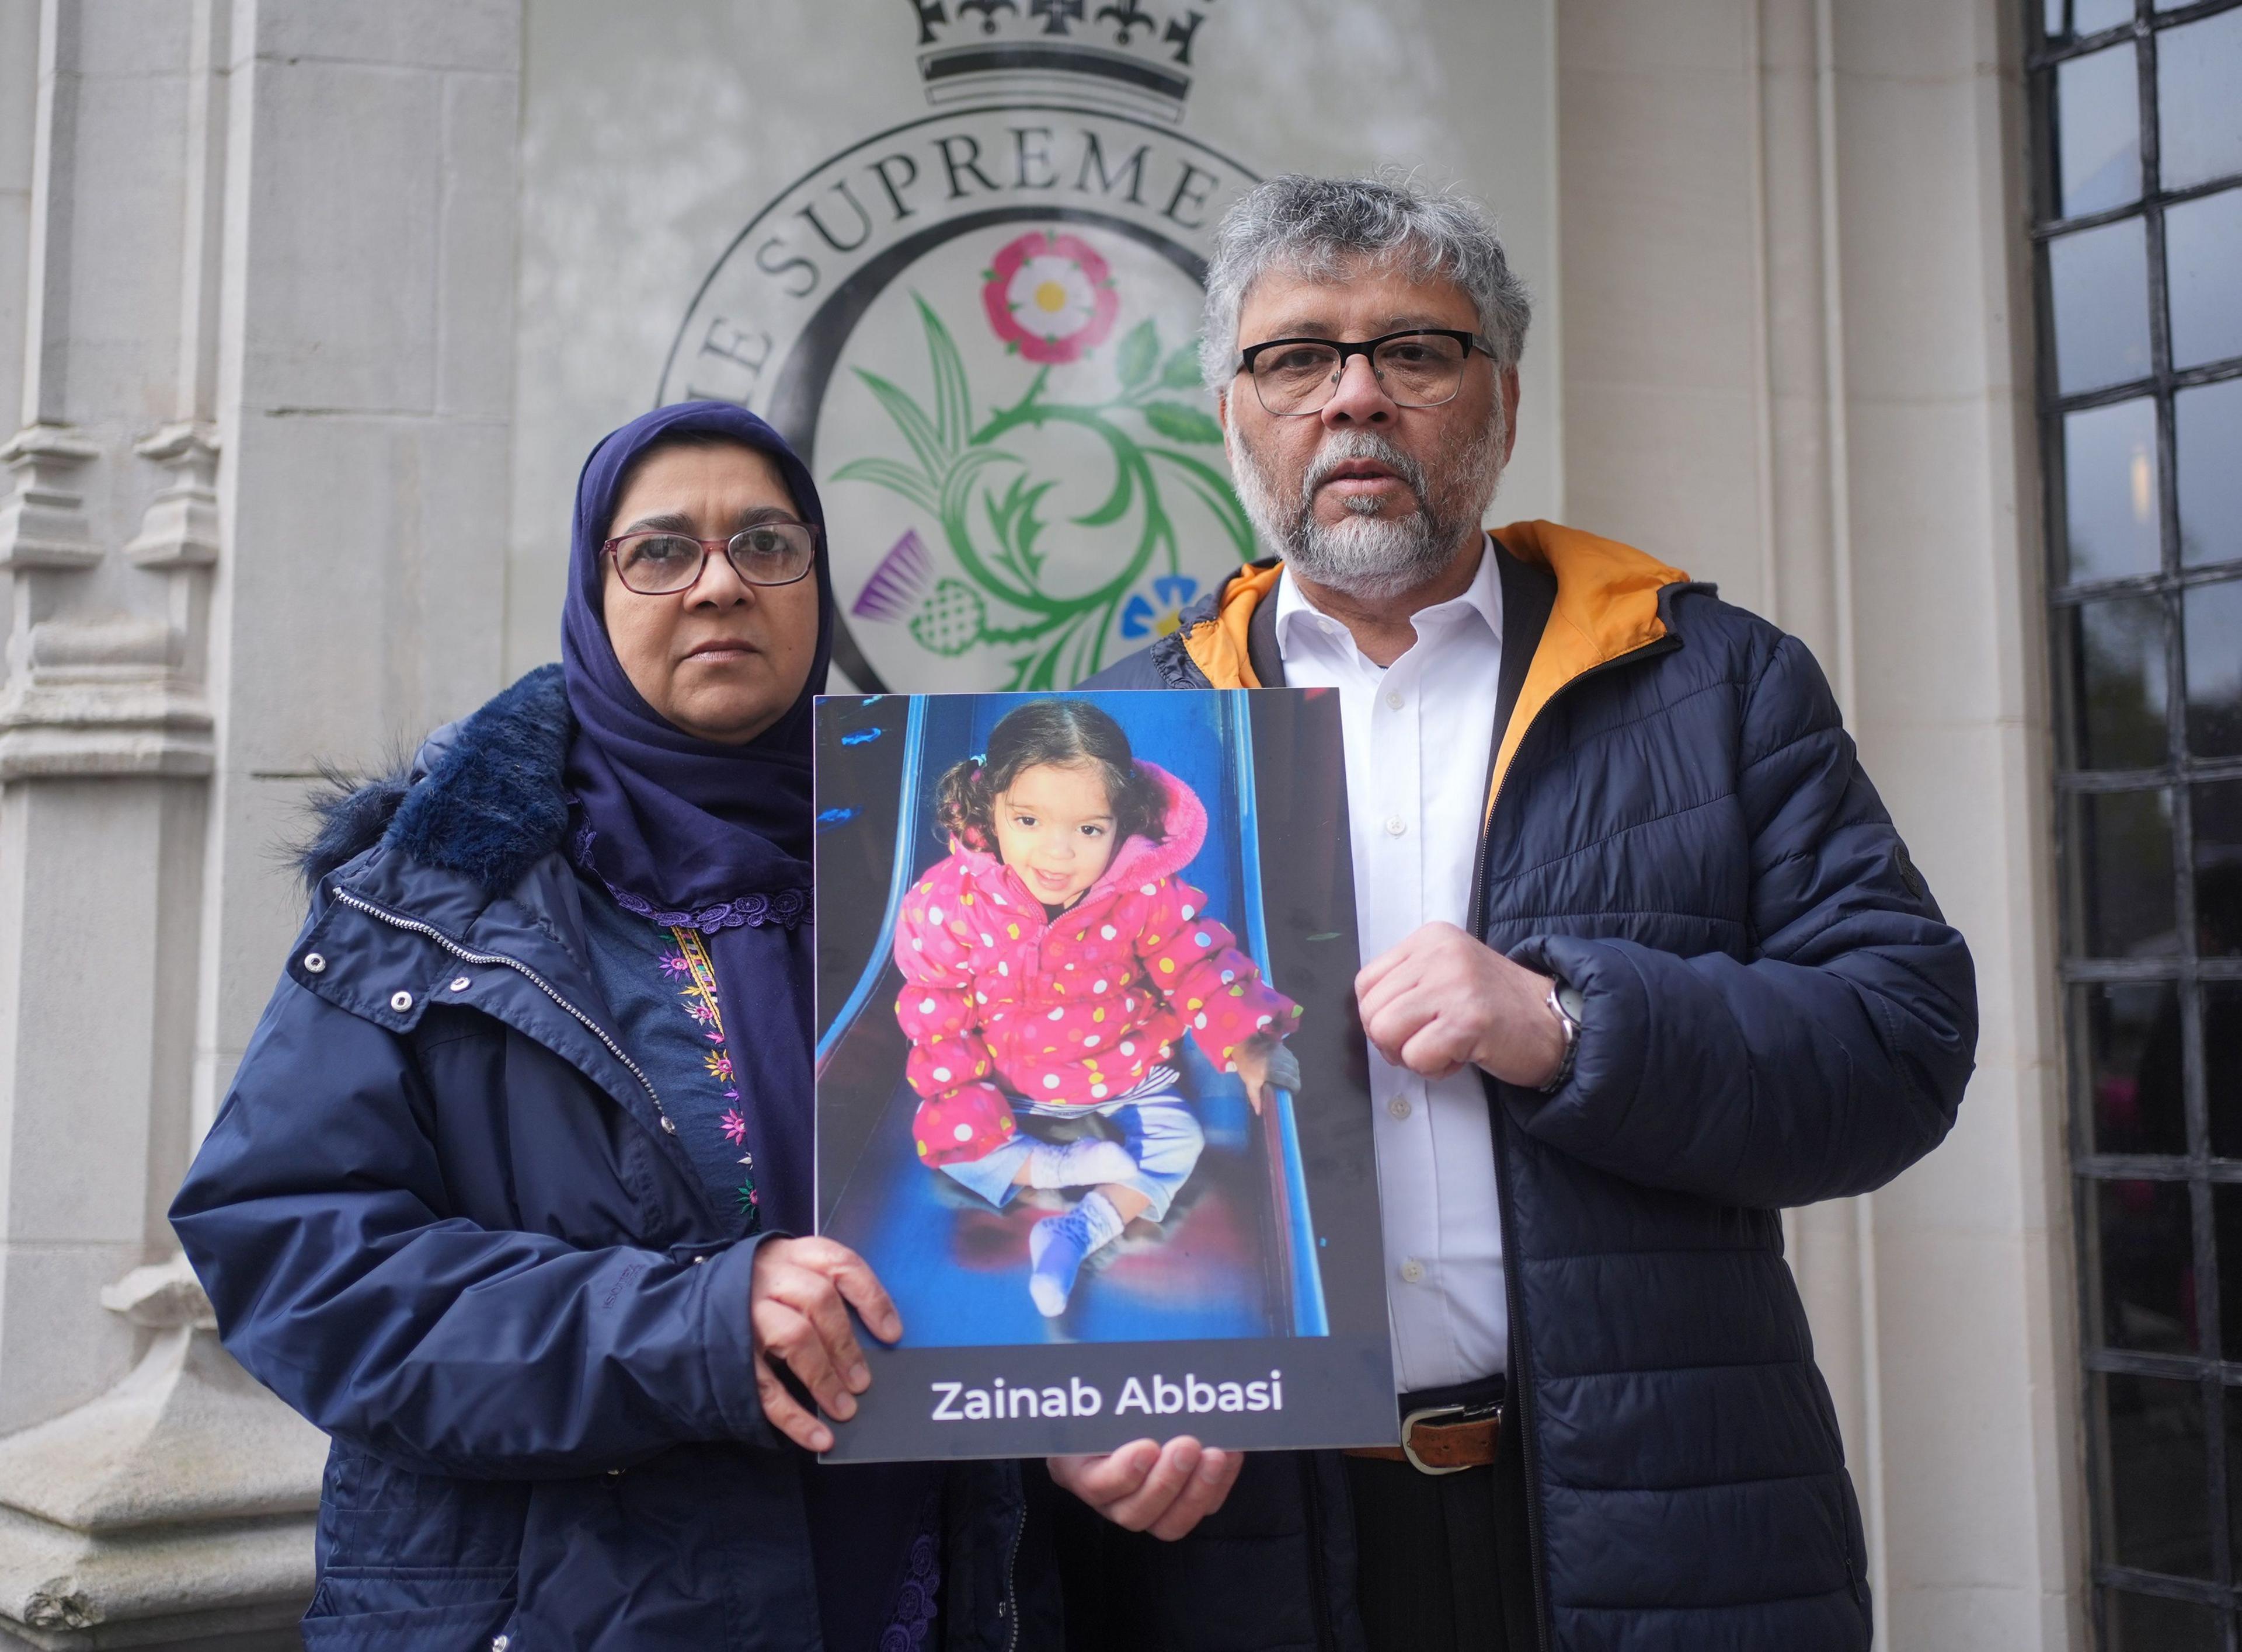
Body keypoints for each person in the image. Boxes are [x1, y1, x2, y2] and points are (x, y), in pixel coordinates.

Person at [1054, 175, 1979, 1651]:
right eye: (1295, 359)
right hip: (1254, 1548)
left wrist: (1564, 1026)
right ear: (1233, 413)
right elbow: (1030, 1113)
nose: (1352, 400)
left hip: (1662, 1521)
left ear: (1500, 398)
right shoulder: (1103, 748)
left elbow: (1899, 1048)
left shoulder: (1714, 683)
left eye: (1412, 351)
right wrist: (1077, 1409)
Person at [168, 402, 1059, 1648]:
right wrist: (690, 1324)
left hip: (916, 1582)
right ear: (594, 592)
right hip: (565, 1606)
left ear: (817, 582)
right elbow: (295, 1262)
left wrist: (1091, 1404)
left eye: (766, 543)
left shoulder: (950, 866)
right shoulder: (435, 897)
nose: (718, 586)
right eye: (659, 552)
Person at [893, 697, 1302, 1316]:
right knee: (952, 1145)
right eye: (1028, 820)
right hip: (1007, 1082)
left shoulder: (1141, 895)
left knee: (1182, 1143)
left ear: (1122, 823)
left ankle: (1077, 1229)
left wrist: (1248, 1041)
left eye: (1089, 829)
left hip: (1123, 1072)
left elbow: (1196, 962)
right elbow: (936, 1017)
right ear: (990, 809)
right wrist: (968, 1107)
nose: (1058, 854)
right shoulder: (950, 903)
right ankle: (1051, 1165)